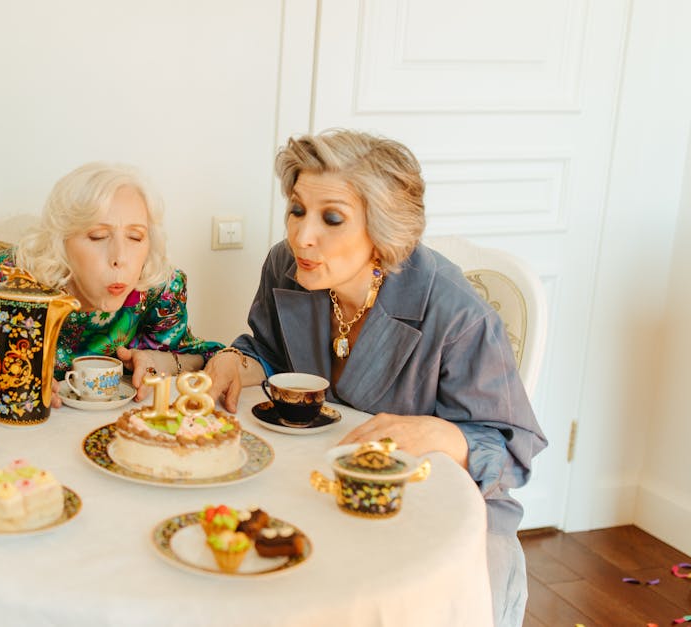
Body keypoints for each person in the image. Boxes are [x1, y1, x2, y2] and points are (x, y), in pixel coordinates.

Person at [203, 129, 546, 627]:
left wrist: (438, 432)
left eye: (332, 219)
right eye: (298, 210)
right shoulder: (288, 267)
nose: (303, 236)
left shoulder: (457, 314)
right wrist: (236, 359)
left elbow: (513, 449)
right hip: (320, 482)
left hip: (434, 514)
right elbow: (274, 353)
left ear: (383, 233)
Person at [0, 162, 222, 400]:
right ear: (61, 243)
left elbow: (198, 356)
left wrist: (161, 362)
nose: (121, 258)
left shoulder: (158, 287)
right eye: (98, 236)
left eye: (135, 237)